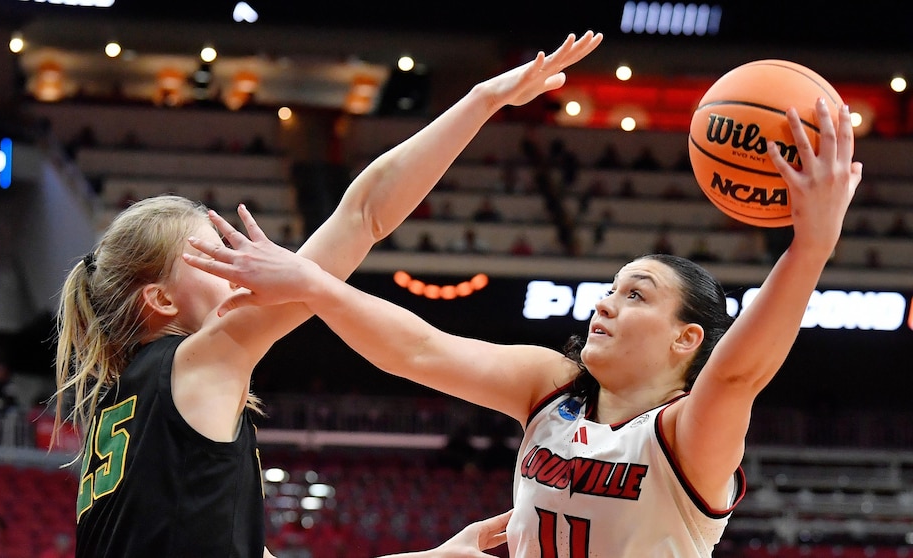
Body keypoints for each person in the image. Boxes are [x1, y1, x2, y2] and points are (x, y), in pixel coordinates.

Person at [185, 97, 861, 556]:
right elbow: (419, 350)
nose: (605, 305)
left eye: (635, 295)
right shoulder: (552, 387)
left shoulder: (685, 435)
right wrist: (312, 283)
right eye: (609, 290)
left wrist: (811, 247)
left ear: (687, 338)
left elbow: (739, 372)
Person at [51, 31, 604, 558]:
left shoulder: (126, 411)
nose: (241, 268)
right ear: (162, 300)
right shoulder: (196, 364)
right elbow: (363, 215)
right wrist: (481, 101)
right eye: (219, 254)